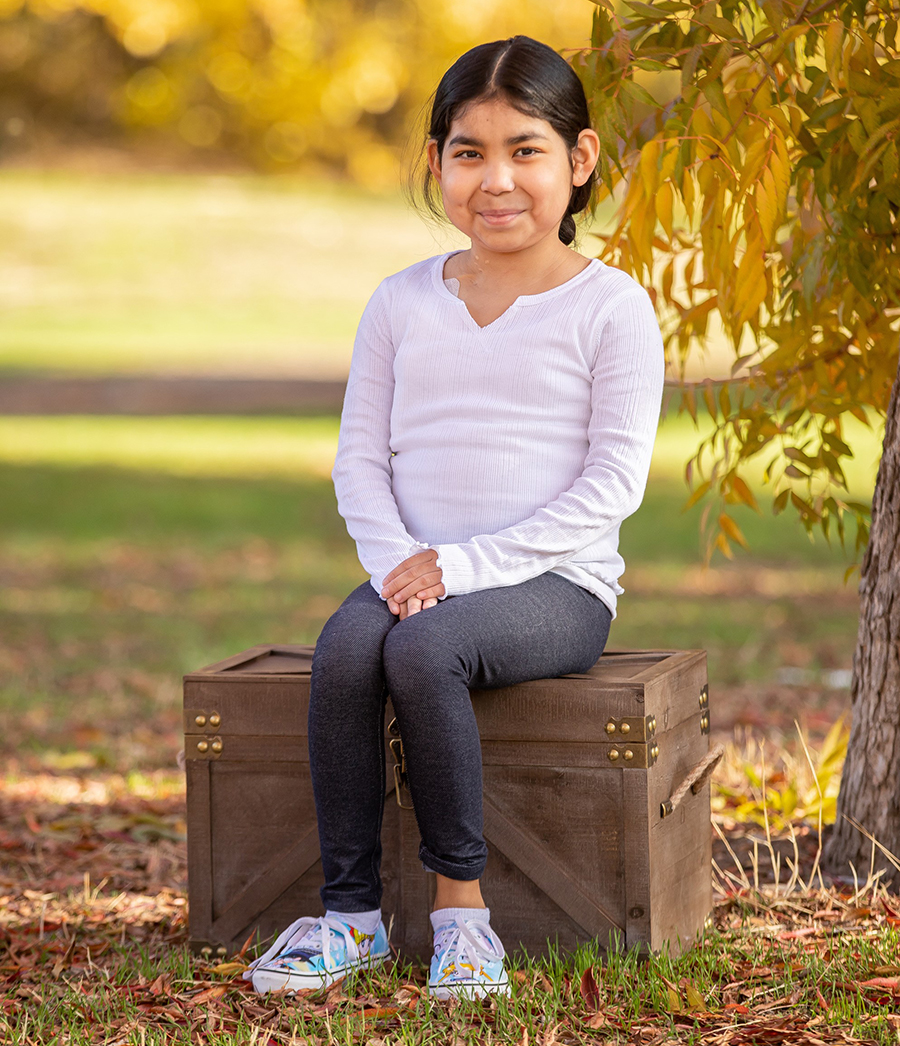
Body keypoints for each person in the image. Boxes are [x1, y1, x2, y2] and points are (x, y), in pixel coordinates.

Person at [244, 34, 665, 1000]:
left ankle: (461, 917)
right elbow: (359, 459)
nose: (497, 179)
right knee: (348, 650)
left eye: (527, 149)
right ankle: (349, 916)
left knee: (423, 653)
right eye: (468, 153)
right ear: (436, 163)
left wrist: (457, 570)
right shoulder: (400, 302)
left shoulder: (611, 310)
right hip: (417, 574)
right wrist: (402, 566)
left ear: (580, 160)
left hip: (552, 584)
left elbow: (611, 488)